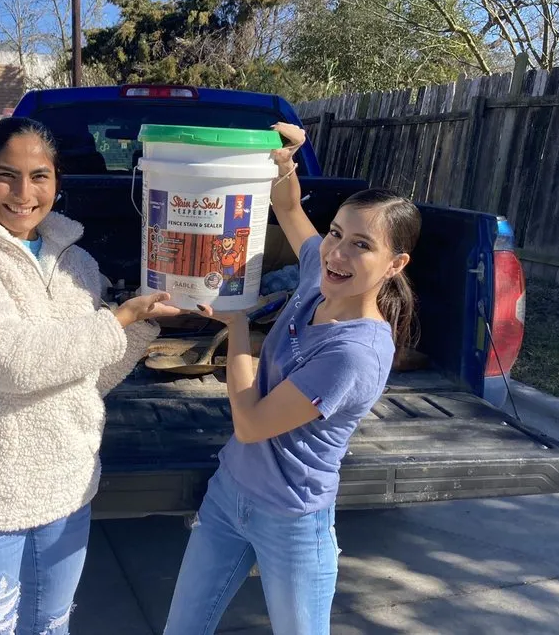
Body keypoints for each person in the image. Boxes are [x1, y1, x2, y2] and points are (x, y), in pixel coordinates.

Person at [0, 116, 180, 635]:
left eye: (39, 176)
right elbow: (11, 363)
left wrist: (144, 325)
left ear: (57, 182)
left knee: (51, 626)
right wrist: (119, 318)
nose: (23, 192)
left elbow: (90, 375)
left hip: (67, 484)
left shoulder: (77, 262)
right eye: (4, 175)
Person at [163, 122, 422, 635]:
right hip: (227, 495)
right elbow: (287, 209)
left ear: (395, 264)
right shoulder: (317, 278)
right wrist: (283, 165)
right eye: (336, 235)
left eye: (361, 246)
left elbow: (252, 424)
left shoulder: (358, 352)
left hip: (291, 520)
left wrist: (237, 327)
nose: (337, 253)